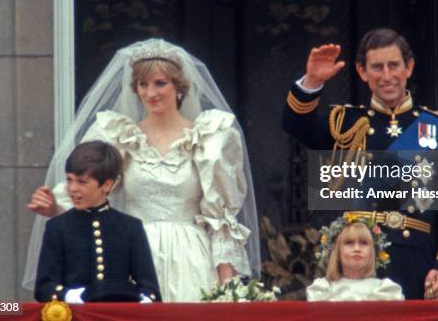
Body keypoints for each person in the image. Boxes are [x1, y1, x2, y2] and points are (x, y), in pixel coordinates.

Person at [25, 39, 260, 302]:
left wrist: (227, 291)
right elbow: (90, 188)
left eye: (160, 83)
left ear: (179, 87)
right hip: (129, 254)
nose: (150, 93)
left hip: (191, 260)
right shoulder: (119, 136)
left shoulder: (210, 138)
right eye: (143, 84)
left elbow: (221, 222)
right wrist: (55, 206)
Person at [283, 28, 438, 299]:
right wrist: (311, 82)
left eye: (394, 65)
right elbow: (295, 124)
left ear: (409, 67)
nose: (386, 76)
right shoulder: (345, 123)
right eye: (377, 67)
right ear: (362, 71)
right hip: (357, 269)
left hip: (416, 266)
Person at [35, 141, 162, 303]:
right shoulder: (58, 227)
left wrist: (143, 300)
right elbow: (44, 286)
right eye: (69, 180)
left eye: (82, 182)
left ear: (107, 184)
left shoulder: (130, 227)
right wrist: (67, 295)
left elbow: (150, 289)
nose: (72, 188)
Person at [307, 212, 403, 301]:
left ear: (372, 252)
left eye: (364, 243)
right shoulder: (323, 290)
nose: (357, 248)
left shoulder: (385, 290)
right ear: (336, 252)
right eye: (349, 243)